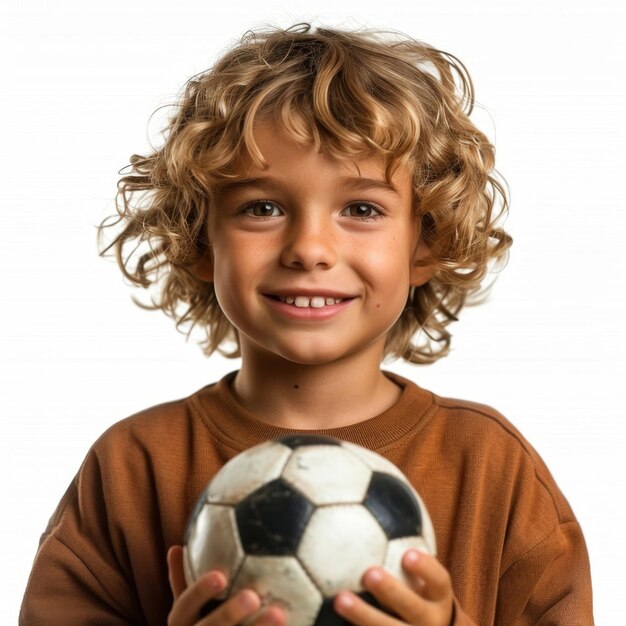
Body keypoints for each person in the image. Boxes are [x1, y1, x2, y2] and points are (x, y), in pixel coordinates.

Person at [19, 23, 593, 626]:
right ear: (199, 240)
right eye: (261, 208)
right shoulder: (132, 467)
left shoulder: (491, 467)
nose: (310, 248)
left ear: (426, 245)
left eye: (362, 209)